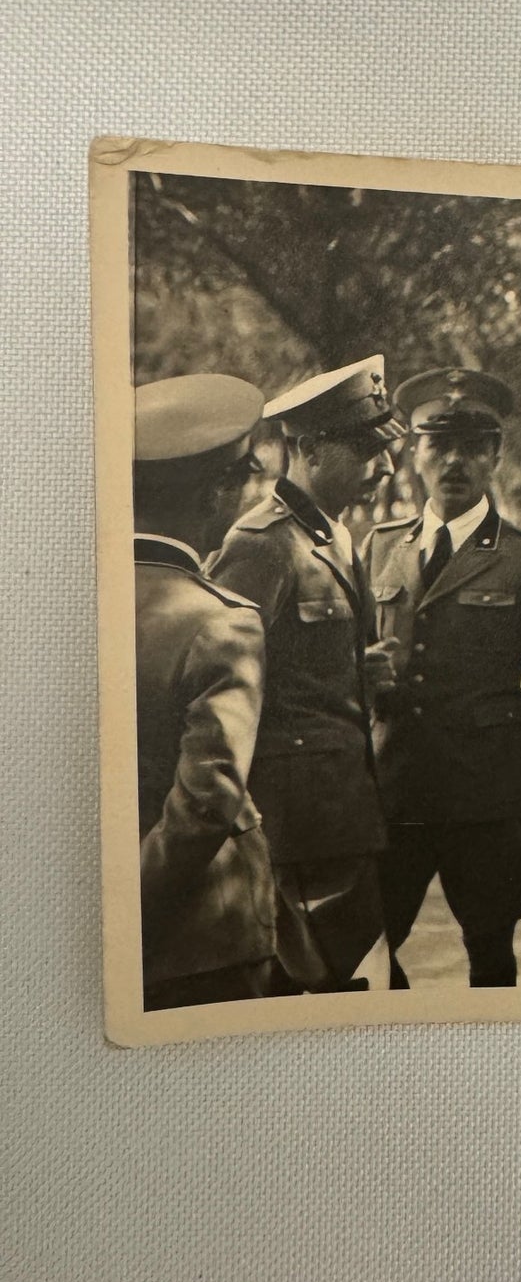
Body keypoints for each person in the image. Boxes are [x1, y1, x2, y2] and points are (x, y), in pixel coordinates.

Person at [360, 368, 521, 988]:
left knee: (490, 953)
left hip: (487, 795)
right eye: (438, 445)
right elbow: (350, 661)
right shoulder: (381, 546)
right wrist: (366, 674)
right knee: (372, 950)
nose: (454, 461)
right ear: (415, 453)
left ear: (494, 455)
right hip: (398, 787)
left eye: (472, 447)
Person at [210, 355, 404, 992]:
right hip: (297, 831)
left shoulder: (338, 536)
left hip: (342, 814)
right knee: (326, 997)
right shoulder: (261, 544)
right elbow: (223, 678)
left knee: (360, 994)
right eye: (369, 449)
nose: (387, 467)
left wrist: (359, 674)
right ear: (312, 449)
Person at [132, 373, 285, 1010]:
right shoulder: (219, 620)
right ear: (218, 492)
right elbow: (204, 806)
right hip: (200, 937)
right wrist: (125, 909)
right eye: (247, 477)